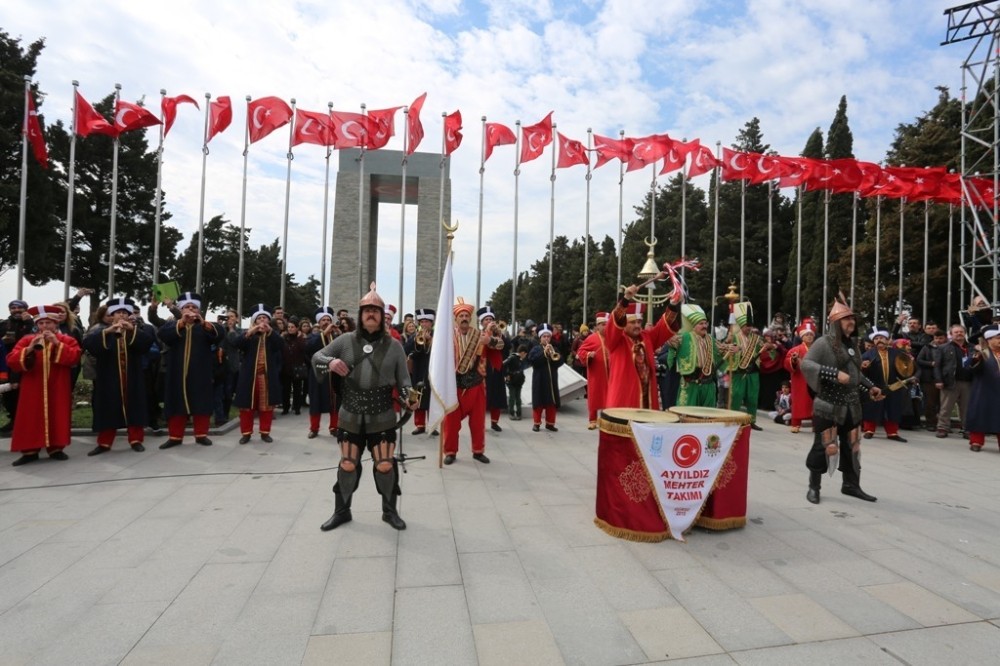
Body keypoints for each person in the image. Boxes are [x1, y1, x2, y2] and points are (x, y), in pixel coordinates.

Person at [314, 283, 416, 531]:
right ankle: (341, 511)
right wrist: (331, 361)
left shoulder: (394, 346)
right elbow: (317, 357)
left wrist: (410, 397)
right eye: (366, 310)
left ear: (382, 316)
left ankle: (389, 511)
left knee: (384, 464)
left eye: (376, 310)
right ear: (360, 315)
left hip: (382, 412)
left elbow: (404, 381)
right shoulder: (345, 340)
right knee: (348, 464)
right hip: (350, 411)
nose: (371, 313)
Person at [801, 295, 882, 504]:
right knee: (823, 446)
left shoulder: (853, 344)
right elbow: (807, 365)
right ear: (836, 323)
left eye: (853, 319)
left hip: (852, 406)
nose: (851, 323)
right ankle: (814, 487)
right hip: (828, 404)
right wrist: (833, 374)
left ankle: (851, 485)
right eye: (847, 320)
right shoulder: (822, 343)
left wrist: (870, 386)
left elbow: (855, 373)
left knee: (852, 446)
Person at [6, 305, 83, 466]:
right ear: (37, 325)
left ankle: (56, 448)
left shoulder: (66, 340)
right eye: (41, 323)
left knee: (57, 414)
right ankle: (29, 451)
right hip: (32, 387)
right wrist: (29, 349)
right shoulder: (27, 339)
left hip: (58, 385)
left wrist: (56, 343)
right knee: (30, 416)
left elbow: (74, 358)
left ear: (56, 324)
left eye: (49, 323)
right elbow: (12, 360)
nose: (45, 326)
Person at [83, 297, 154, 455]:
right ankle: (104, 443)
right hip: (108, 378)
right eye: (117, 313)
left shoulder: (135, 330)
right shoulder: (103, 330)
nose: (121, 316)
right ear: (111, 315)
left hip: (132, 377)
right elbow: (89, 345)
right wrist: (108, 331)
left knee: (134, 407)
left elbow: (146, 344)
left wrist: (132, 330)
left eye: (124, 313)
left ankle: (136, 440)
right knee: (108, 408)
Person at [158, 292, 224, 449]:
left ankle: (201, 435)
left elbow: (219, 334)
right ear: (181, 310)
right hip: (177, 373)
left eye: (194, 307)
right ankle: (175, 437)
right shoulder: (172, 325)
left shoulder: (205, 326)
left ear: (199, 310)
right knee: (176, 404)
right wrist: (181, 323)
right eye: (187, 307)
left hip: (200, 373)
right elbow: (163, 335)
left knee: (201, 403)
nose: (190, 309)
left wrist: (204, 323)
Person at [442, 298, 501, 465]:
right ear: (456, 319)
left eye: (466, 315)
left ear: (471, 317)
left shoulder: (480, 335)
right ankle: (450, 451)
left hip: (476, 383)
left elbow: (501, 345)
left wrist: (489, 341)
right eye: (461, 315)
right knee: (451, 422)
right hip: (454, 385)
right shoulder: (447, 337)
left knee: (478, 421)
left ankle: (478, 451)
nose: (464, 318)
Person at [605, 284, 682, 409]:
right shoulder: (616, 340)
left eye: (639, 322)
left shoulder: (646, 338)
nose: (637, 325)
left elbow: (663, 327)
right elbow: (614, 324)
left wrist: (673, 304)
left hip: (647, 399)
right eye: (632, 322)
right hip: (624, 398)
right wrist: (625, 299)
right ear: (624, 324)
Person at [232, 304, 283, 444]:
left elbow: (281, 345)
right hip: (249, 377)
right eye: (259, 318)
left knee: (266, 407)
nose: (262, 321)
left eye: (265, 318)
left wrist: (271, 331)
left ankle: (265, 432)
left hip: (266, 377)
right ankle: (246, 433)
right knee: (247, 407)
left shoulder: (273, 336)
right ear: (254, 321)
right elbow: (236, 343)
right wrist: (251, 332)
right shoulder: (248, 335)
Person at [670, 304, 728, 408]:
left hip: (709, 385)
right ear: (693, 326)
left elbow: (722, 350)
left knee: (708, 417)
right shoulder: (683, 337)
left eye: (705, 323)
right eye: (701, 323)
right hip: (691, 384)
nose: (704, 326)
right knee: (688, 416)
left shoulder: (711, 339)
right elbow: (671, 350)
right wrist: (670, 343)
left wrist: (733, 349)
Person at [860, 329, 908, 442]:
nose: (879, 340)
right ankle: (869, 430)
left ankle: (892, 433)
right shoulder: (867, 354)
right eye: (876, 339)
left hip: (894, 386)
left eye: (881, 338)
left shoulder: (897, 353)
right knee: (871, 408)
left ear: (887, 340)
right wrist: (863, 367)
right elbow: (860, 373)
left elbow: (905, 369)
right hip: (874, 386)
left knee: (893, 408)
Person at [726, 302, 765, 430]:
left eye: (750, 326)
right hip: (739, 372)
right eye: (746, 326)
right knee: (736, 396)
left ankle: (751, 420)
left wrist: (770, 347)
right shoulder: (734, 337)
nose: (749, 328)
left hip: (753, 372)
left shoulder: (757, 338)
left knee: (752, 398)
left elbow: (768, 351)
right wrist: (728, 344)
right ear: (741, 326)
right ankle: (733, 419)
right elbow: (725, 351)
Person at [934, 324, 975, 438]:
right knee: (946, 407)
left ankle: (967, 429)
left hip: (968, 382)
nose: (959, 334)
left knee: (967, 408)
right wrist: (938, 380)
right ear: (951, 334)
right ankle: (943, 428)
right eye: (956, 332)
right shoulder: (943, 348)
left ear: (965, 333)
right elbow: (937, 366)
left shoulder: (972, 347)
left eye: (961, 331)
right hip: (950, 381)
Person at [305, 306, 341, 438]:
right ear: (319, 323)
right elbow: (309, 348)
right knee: (316, 402)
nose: (326, 322)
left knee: (336, 403)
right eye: (323, 320)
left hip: (334, 375)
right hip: (318, 374)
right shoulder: (312, 336)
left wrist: (340, 334)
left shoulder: (337, 336)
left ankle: (334, 427)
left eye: (328, 319)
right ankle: (314, 429)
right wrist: (323, 334)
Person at [0, 299, 35, 433]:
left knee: (26, 394)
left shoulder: (32, 323)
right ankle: (14, 420)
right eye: (13, 308)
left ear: (26, 309)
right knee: (9, 395)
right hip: (8, 364)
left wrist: (29, 322)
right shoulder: (3, 324)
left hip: (27, 364)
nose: (16, 310)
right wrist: (2, 342)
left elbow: (36, 336)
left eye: (19, 308)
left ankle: (28, 421)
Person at [965, 325, 1000, 452]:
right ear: (989, 339)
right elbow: (969, 368)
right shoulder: (982, 352)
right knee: (979, 414)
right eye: (998, 338)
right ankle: (976, 441)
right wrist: (975, 361)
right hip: (983, 390)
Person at [576, 312, 611, 428]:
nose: (606, 327)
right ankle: (592, 420)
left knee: (609, 397)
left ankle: (606, 419)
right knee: (594, 396)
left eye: (607, 324)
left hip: (611, 374)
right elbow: (580, 351)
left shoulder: (612, 338)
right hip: (596, 374)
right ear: (598, 326)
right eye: (603, 324)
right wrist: (588, 354)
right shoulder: (592, 338)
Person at [528, 324, 564, 431]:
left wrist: (552, 355)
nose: (547, 338)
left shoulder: (555, 349)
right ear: (540, 338)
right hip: (539, 380)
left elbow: (560, 362)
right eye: (544, 336)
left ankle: (550, 424)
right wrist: (544, 353)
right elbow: (533, 361)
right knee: (538, 402)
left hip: (551, 381)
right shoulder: (535, 349)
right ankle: (536, 423)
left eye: (548, 336)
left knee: (551, 403)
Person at [404, 308, 434, 434]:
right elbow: (406, 350)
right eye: (421, 322)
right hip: (418, 369)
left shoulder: (437, 335)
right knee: (417, 395)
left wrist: (430, 341)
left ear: (431, 323)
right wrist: (417, 341)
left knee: (432, 398)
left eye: (426, 322)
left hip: (431, 369)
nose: (423, 324)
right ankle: (420, 425)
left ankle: (433, 425)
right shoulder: (414, 335)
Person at [478, 306, 508, 432]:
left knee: (496, 395)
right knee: (482, 397)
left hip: (496, 369)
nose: (489, 321)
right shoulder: (479, 334)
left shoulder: (500, 335)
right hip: (482, 368)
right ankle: (480, 422)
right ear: (482, 322)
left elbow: (505, 347)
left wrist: (498, 333)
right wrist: (488, 334)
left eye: (491, 319)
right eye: (486, 319)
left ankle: (495, 422)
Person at [783, 321, 816, 433]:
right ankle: (796, 423)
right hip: (800, 380)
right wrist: (793, 360)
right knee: (799, 401)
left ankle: (816, 424)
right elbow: (787, 363)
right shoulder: (795, 350)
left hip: (815, 380)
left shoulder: (818, 350)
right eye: (807, 334)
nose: (809, 336)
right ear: (802, 336)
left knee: (815, 401)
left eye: (811, 334)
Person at [916, 329, 946, 431]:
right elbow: (919, 360)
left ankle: (942, 424)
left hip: (944, 379)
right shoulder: (927, 347)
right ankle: (931, 423)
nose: (938, 340)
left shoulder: (948, 347)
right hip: (928, 379)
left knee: (943, 403)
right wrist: (930, 363)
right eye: (936, 338)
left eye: (941, 338)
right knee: (930, 402)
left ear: (945, 338)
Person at [281, 319, 308, 414]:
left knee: (297, 389)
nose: (290, 329)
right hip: (286, 368)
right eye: (288, 327)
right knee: (286, 389)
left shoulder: (301, 338)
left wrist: (300, 338)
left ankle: (297, 407)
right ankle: (285, 407)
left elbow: (304, 349)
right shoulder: (284, 338)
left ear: (297, 328)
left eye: (292, 327)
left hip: (297, 368)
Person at [503, 344, 528, 420]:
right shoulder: (513, 357)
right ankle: (511, 413)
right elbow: (503, 364)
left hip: (519, 381)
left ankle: (519, 413)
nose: (525, 356)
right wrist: (506, 375)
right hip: (512, 380)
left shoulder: (521, 359)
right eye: (525, 354)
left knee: (518, 397)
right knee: (512, 397)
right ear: (523, 352)